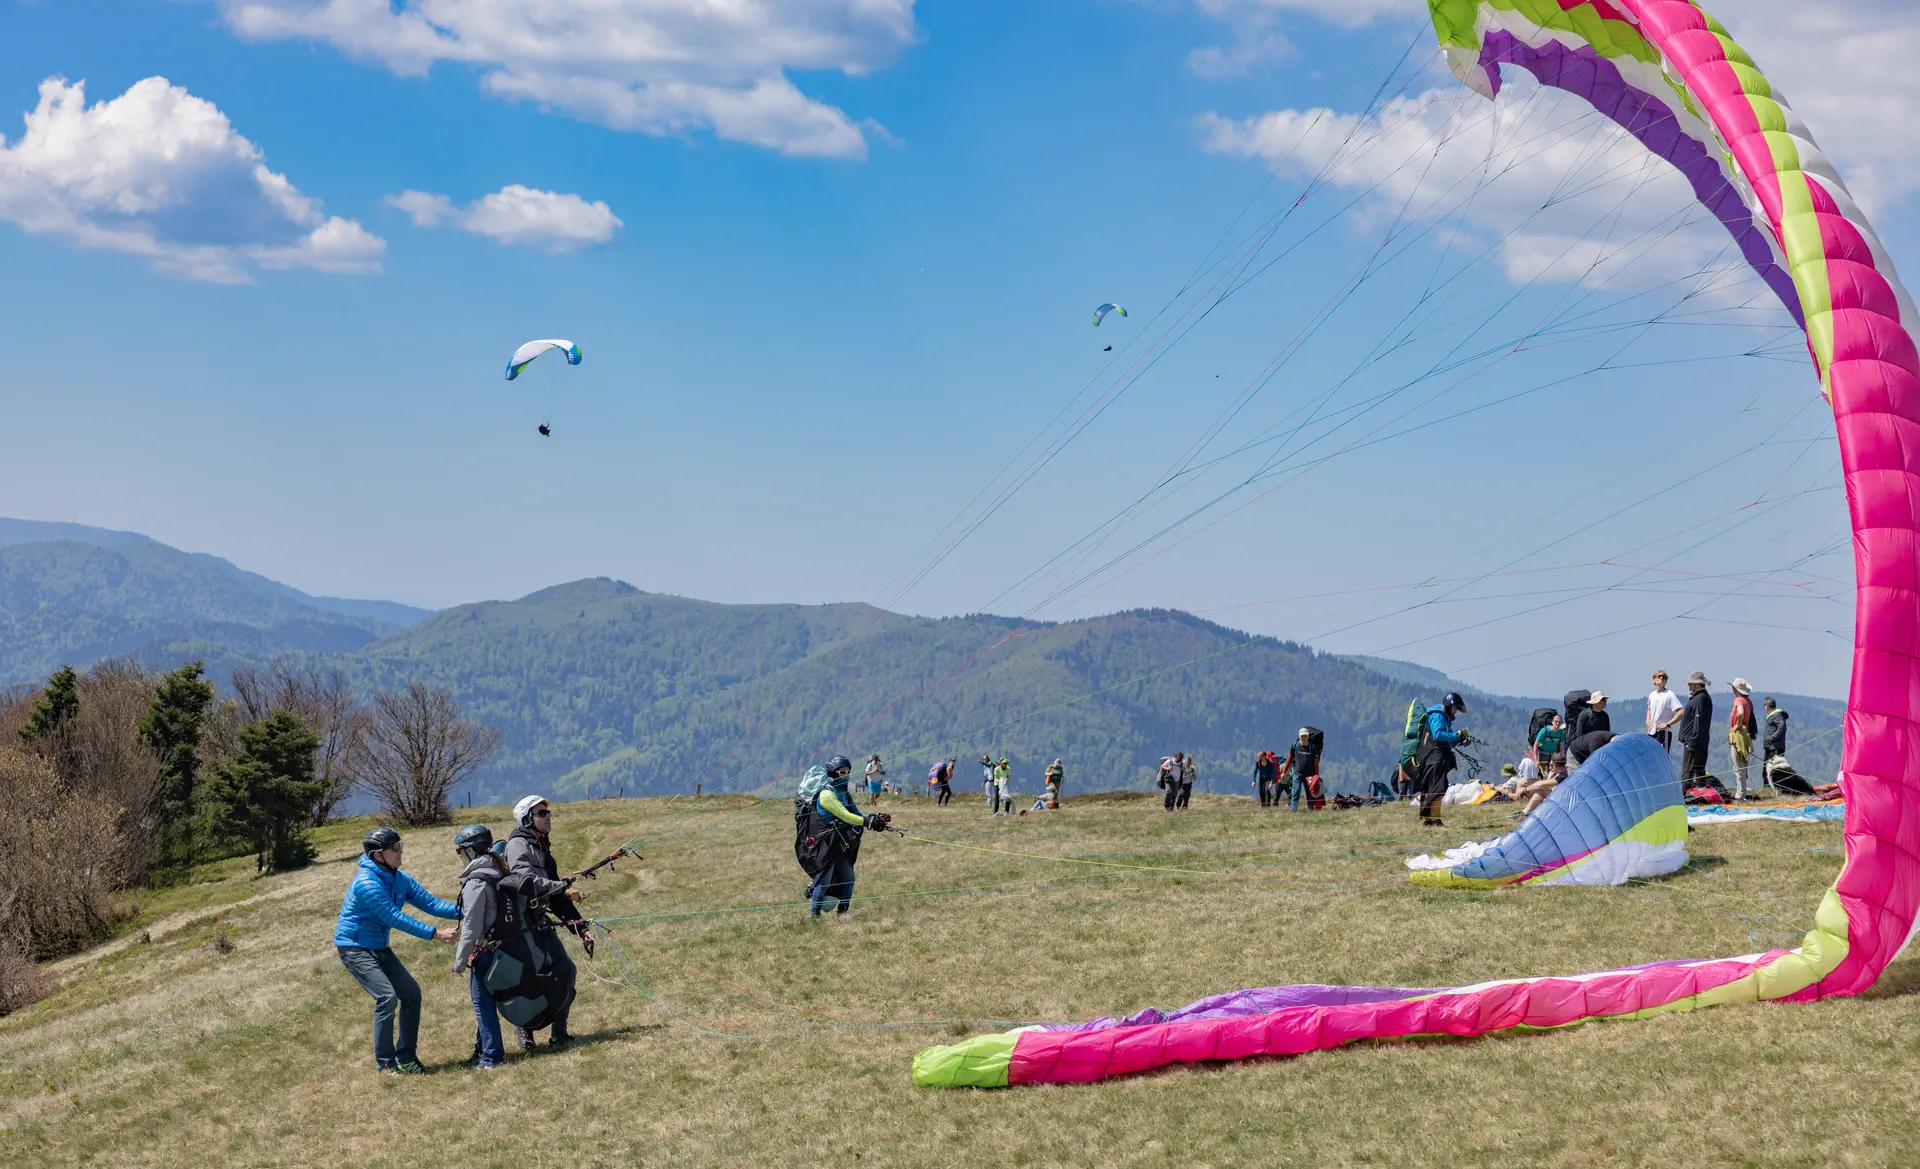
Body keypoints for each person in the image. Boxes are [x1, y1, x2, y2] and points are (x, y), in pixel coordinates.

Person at [334, 827, 459, 1075]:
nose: (400, 851)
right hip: (355, 947)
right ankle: (386, 1064)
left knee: (411, 994)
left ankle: (407, 1058)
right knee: (386, 997)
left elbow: (431, 903)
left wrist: (471, 911)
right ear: (377, 856)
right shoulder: (366, 883)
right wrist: (435, 934)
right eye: (394, 848)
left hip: (379, 947)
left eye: (400, 845)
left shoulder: (399, 878)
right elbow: (394, 918)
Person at [503, 796, 596, 1051]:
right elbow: (524, 881)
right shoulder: (518, 844)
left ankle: (559, 1034)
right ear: (527, 819)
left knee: (566, 969)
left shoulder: (542, 847)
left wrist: (581, 928)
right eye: (542, 813)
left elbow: (556, 898)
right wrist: (562, 887)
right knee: (530, 979)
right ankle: (526, 1036)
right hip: (519, 926)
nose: (548, 816)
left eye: (548, 812)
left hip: (539, 921)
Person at [796, 755, 889, 916]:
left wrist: (875, 817)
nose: (846, 775)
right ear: (834, 773)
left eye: (848, 771)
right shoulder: (826, 794)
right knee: (823, 882)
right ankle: (814, 917)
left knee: (849, 878)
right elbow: (845, 816)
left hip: (840, 842)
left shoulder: (844, 793)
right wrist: (867, 822)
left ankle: (843, 914)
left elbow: (857, 814)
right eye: (843, 772)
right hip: (825, 845)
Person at [451, 824, 508, 1070]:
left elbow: (471, 927)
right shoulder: (498, 870)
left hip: (484, 953)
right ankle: (483, 1050)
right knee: (488, 1002)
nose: (460, 856)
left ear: (472, 851)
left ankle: (491, 1057)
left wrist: (460, 961)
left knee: (482, 1004)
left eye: (461, 851)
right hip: (503, 949)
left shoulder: (476, 881)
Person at [1413, 693, 1470, 827]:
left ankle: (1431, 820)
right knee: (1438, 788)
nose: (1455, 711)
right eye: (1455, 708)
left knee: (1437, 788)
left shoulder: (1443, 718)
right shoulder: (1437, 716)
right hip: (1433, 758)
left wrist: (1459, 740)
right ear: (1450, 706)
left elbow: (1447, 741)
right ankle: (1433, 820)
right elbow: (1438, 735)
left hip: (1436, 758)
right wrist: (1456, 735)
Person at [1762, 698, 1814, 795]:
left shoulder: (1777, 715)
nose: (1764, 707)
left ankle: (1777, 790)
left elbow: (1782, 727)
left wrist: (1772, 738)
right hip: (1770, 747)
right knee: (1766, 770)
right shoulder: (1771, 716)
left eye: (1764, 705)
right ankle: (1767, 790)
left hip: (1775, 747)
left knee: (1776, 771)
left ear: (1768, 706)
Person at [1678, 671, 1716, 791]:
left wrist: (1692, 740)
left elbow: (1698, 722)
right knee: (1696, 770)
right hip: (1697, 741)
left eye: (1691, 683)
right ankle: (1697, 795)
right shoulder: (1701, 697)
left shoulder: (1701, 698)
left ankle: (1686, 796)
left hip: (1694, 742)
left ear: (1697, 684)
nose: (1689, 685)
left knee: (1688, 771)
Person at [1727, 678, 1759, 800]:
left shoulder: (1738, 700)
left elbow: (1740, 713)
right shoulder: (1748, 701)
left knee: (1737, 764)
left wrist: (1737, 725)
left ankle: (1740, 794)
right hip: (1746, 734)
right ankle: (1743, 792)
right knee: (1743, 764)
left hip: (1739, 734)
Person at [1284, 729, 1321, 813]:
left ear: (1308, 736)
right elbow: (1289, 759)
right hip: (1297, 773)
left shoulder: (1312, 747)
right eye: (1302, 736)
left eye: (1305, 736)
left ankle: (1310, 809)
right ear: (1299, 736)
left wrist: (1316, 776)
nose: (1304, 738)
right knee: (1296, 791)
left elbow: (1316, 763)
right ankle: (1294, 810)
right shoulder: (1295, 746)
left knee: (1309, 793)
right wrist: (1284, 772)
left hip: (1309, 775)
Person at [1646, 670, 1683, 752]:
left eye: (1664, 677)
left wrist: (1667, 724)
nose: (1662, 678)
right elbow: (1649, 709)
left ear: (1666, 681)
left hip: (1663, 732)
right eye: (1659, 676)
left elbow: (1681, 712)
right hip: (1651, 731)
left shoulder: (1669, 695)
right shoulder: (1651, 695)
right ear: (1654, 680)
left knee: (1661, 757)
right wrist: (1648, 720)